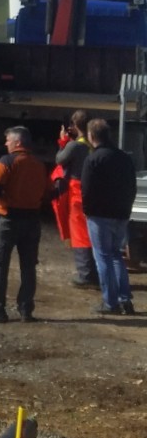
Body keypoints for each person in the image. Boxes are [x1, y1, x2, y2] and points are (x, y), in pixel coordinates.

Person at [0, 125, 47, 323]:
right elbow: (46, 190)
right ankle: (26, 310)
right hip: (32, 221)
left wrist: (2, 200)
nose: (5, 143)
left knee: (0, 264)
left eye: (8, 140)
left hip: (9, 220)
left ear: (17, 142)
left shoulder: (5, 162)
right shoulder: (39, 165)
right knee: (28, 267)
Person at [81, 118, 137, 316]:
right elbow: (132, 185)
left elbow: (86, 188)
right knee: (116, 256)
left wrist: (87, 210)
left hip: (99, 215)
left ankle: (110, 302)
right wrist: (127, 208)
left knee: (102, 256)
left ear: (91, 136)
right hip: (121, 214)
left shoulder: (94, 159)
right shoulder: (123, 157)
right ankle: (125, 300)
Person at [49, 109, 96, 287]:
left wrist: (63, 142)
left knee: (79, 233)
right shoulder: (94, 144)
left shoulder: (75, 146)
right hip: (91, 191)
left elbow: (59, 160)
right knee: (91, 232)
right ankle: (93, 271)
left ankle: (85, 275)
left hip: (77, 192)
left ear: (75, 126)